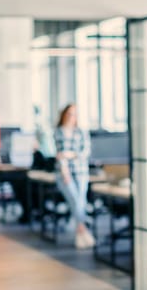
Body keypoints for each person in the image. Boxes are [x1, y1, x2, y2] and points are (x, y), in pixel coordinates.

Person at [54, 104, 95, 249]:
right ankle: (83, 231)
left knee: (80, 202)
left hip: (81, 172)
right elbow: (60, 154)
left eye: (74, 114)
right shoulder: (58, 132)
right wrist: (65, 172)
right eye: (69, 113)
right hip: (64, 173)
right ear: (64, 114)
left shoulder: (81, 132)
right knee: (75, 200)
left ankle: (80, 232)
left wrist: (71, 154)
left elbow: (85, 153)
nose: (72, 117)